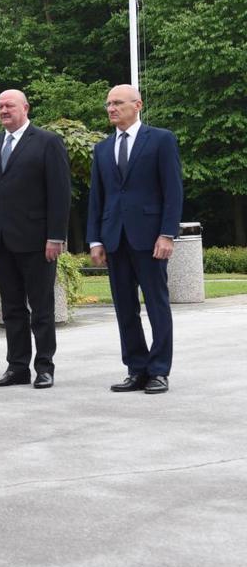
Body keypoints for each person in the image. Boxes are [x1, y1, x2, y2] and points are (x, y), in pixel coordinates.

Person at [86, 84, 183, 395]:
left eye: (118, 103)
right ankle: (136, 368)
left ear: (137, 104)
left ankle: (158, 371)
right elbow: (97, 198)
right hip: (115, 238)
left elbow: (173, 190)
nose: (111, 108)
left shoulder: (161, 140)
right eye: (108, 104)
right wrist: (95, 240)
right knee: (125, 308)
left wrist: (167, 233)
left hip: (150, 238)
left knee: (156, 305)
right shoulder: (102, 148)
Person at [0, 90, 71, 389]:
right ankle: (17, 367)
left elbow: (59, 193)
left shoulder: (47, 142)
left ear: (25, 108)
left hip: (37, 241)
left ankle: (44, 366)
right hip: (2, 242)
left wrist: (56, 236)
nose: (4, 110)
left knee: (41, 308)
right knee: (12, 309)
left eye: (10, 105)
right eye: (0, 106)